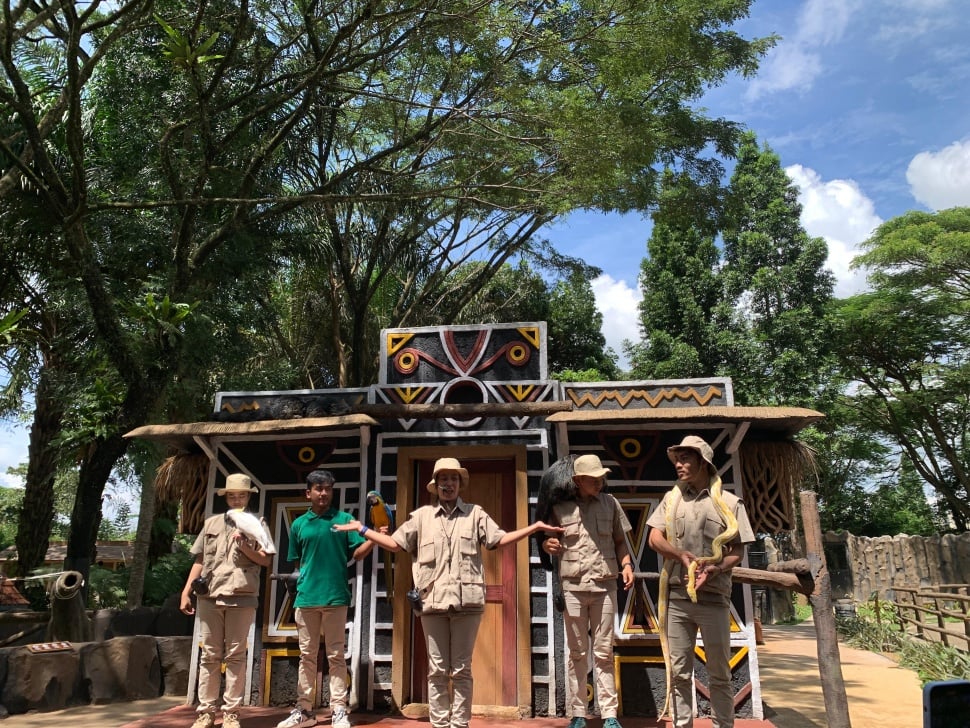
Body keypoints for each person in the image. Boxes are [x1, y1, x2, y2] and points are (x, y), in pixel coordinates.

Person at [333, 457, 563, 728]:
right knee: (438, 670)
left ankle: (460, 724)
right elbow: (395, 545)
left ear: (460, 484)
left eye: (453, 479)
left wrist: (534, 527)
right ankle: (440, 723)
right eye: (444, 479)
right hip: (432, 604)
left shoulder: (475, 514)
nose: (449, 484)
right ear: (436, 484)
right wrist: (363, 529)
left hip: (468, 605)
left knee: (462, 669)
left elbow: (499, 540)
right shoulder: (421, 517)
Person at [646, 435, 756, 728]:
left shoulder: (729, 503)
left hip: (714, 599)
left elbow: (737, 550)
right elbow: (654, 538)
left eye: (685, 460)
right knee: (679, 672)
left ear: (703, 462)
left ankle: (724, 724)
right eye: (677, 460)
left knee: (719, 673)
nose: (678, 465)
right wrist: (679, 553)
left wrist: (716, 570)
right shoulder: (672, 500)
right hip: (678, 599)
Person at [540, 454, 635, 728]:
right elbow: (548, 541)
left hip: (605, 585)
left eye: (601, 477)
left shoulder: (611, 504)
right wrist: (549, 546)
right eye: (593, 478)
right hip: (573, 587)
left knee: (604, 651)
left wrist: (626, 564)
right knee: (577, 652)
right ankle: (579, 713)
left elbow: (620, 541)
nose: (599, 482)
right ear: (579, 481)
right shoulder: (559, 508)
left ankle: (609, 715)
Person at [276, 469, 375, 728]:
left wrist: (375, 539)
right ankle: (304, 710)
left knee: (335, 656)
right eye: (318, 488)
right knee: (306, 656)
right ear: (308, 493)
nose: (323, 493)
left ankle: (339, 710)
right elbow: (298, 564)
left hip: (335, 597)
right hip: (306, 598)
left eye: (328, 488)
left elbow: (359, 553)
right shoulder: (298, 525)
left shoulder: (343, 520)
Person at [181, 473, 274, 728]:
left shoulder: (257, 523)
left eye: (241, 495)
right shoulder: (210, 524)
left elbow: (266, 560)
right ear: (226, 497)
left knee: (235, 655)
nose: (236, 499)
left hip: (241, 596)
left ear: (248, 497)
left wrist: (245, 546)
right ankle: (206, 712)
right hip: (209, 595)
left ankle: (232, 712)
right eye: (231, 495)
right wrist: (185, 591)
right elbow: (199, 560)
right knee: (209, 654)